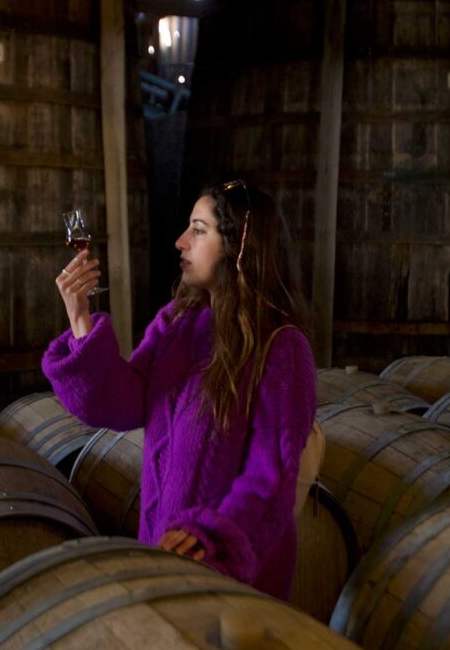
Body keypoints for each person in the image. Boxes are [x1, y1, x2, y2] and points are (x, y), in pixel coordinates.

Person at [42, 181, 316, 600]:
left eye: (198, 230)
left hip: (230, 572)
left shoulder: (281, 347)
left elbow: (269, 476)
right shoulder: (176, 323)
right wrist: (81, 319)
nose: (181, 241)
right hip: (165, 552)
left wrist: (210, 540)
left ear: (239, 246)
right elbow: (122, 405)